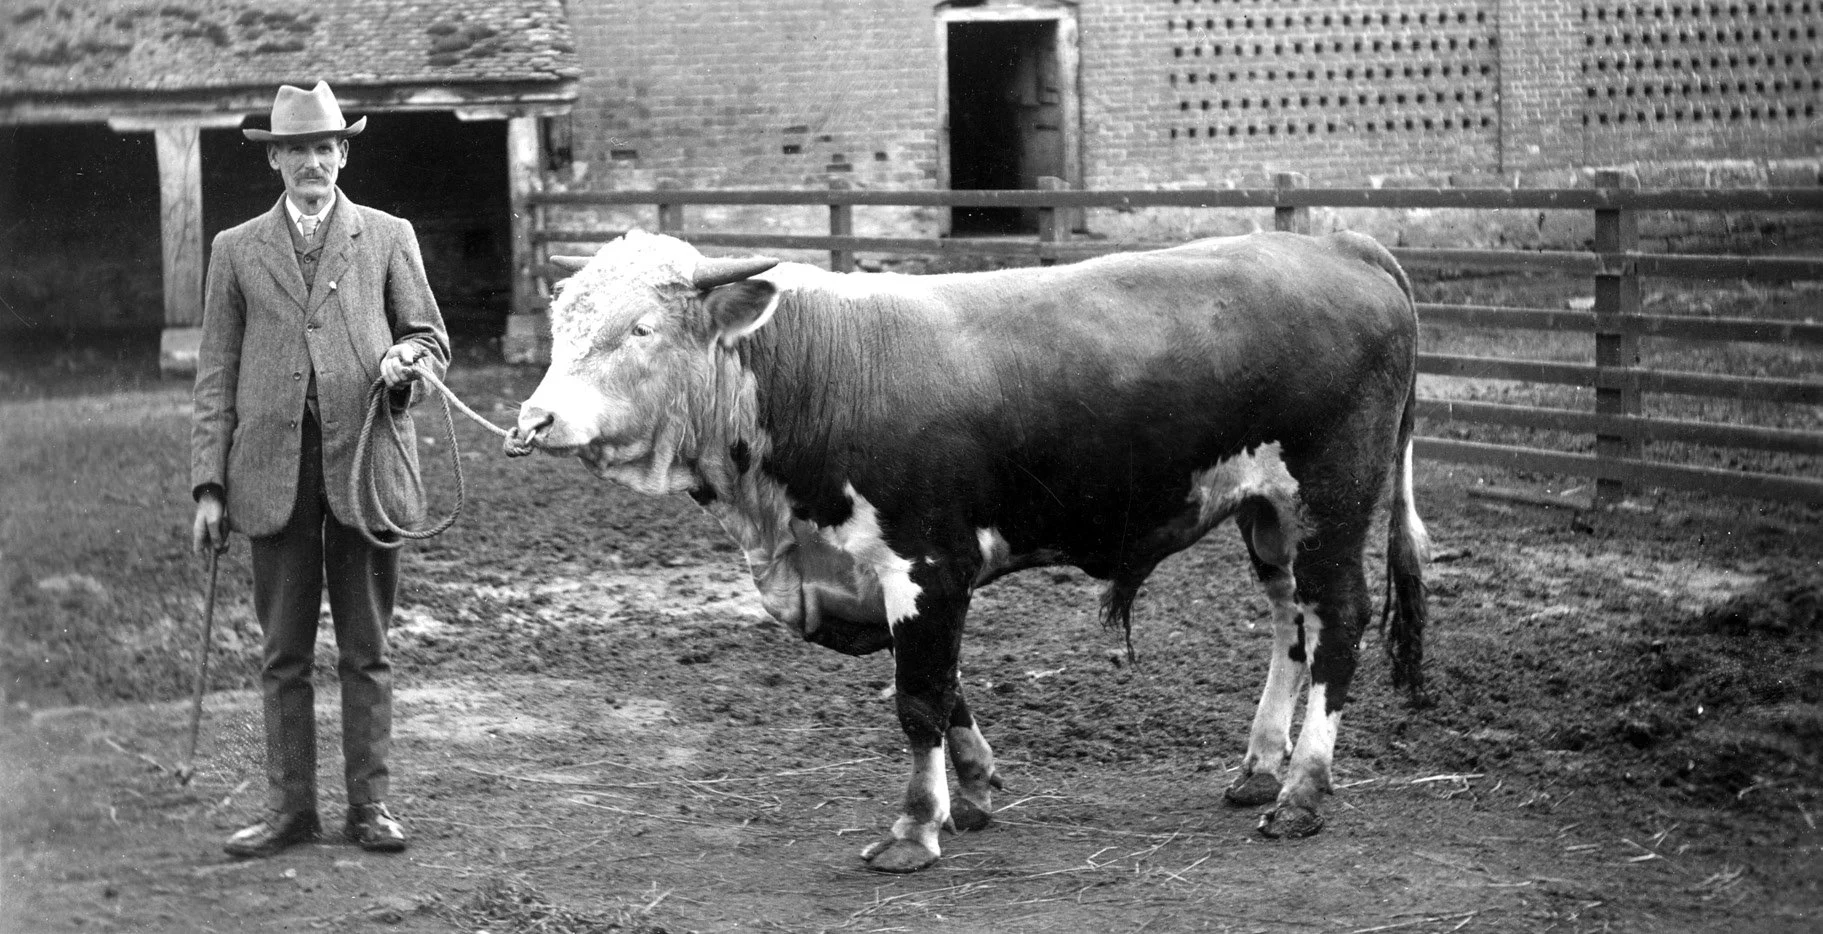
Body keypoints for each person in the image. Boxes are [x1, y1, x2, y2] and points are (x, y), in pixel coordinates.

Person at [190, 81, 449, 859]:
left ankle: (369, 809)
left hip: (366, 466)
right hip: (271, 476)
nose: (312, 161)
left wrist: (409, 359)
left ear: (343, 153)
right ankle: (290, 810)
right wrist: (208, 485)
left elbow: (430, 337)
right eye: (296, 148)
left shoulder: (387, 235)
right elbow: (214, 373)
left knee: (367, 650)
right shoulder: (235, 249)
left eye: (325, 146)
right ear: (274, 158)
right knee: (283, 656)